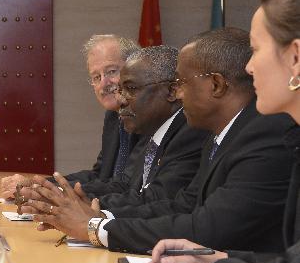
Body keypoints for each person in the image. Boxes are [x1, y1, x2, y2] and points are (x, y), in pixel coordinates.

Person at [25, 28, 294, 254]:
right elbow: (184, 205)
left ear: (216, 85)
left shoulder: (265, 134)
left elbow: (208, 228)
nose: (177, 93)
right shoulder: (219, 136)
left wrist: (96, 227)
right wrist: (98, 218)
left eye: (182, 83)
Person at [152, 0, 300, 263]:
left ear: (295, 57)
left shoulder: (273, 136)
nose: (248, 68)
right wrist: (221, 259)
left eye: (256, 50)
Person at [21, 46, 208, 219]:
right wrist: (61, 196)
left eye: (130, 89)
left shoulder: (191, 132)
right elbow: (125, 184)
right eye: (96, 77)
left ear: (172, 91)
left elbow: (159, 199)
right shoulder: (151, 128)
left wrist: (90, 212)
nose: (121, 99)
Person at [1, 34, 140, 198]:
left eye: (111, 71)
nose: (104, 83)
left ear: (135, 69)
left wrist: (46, 192)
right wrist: (38, 183)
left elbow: (125, 186)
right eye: (96, 77)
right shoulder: (113, 116)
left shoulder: (147, 117)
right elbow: (100, 175)